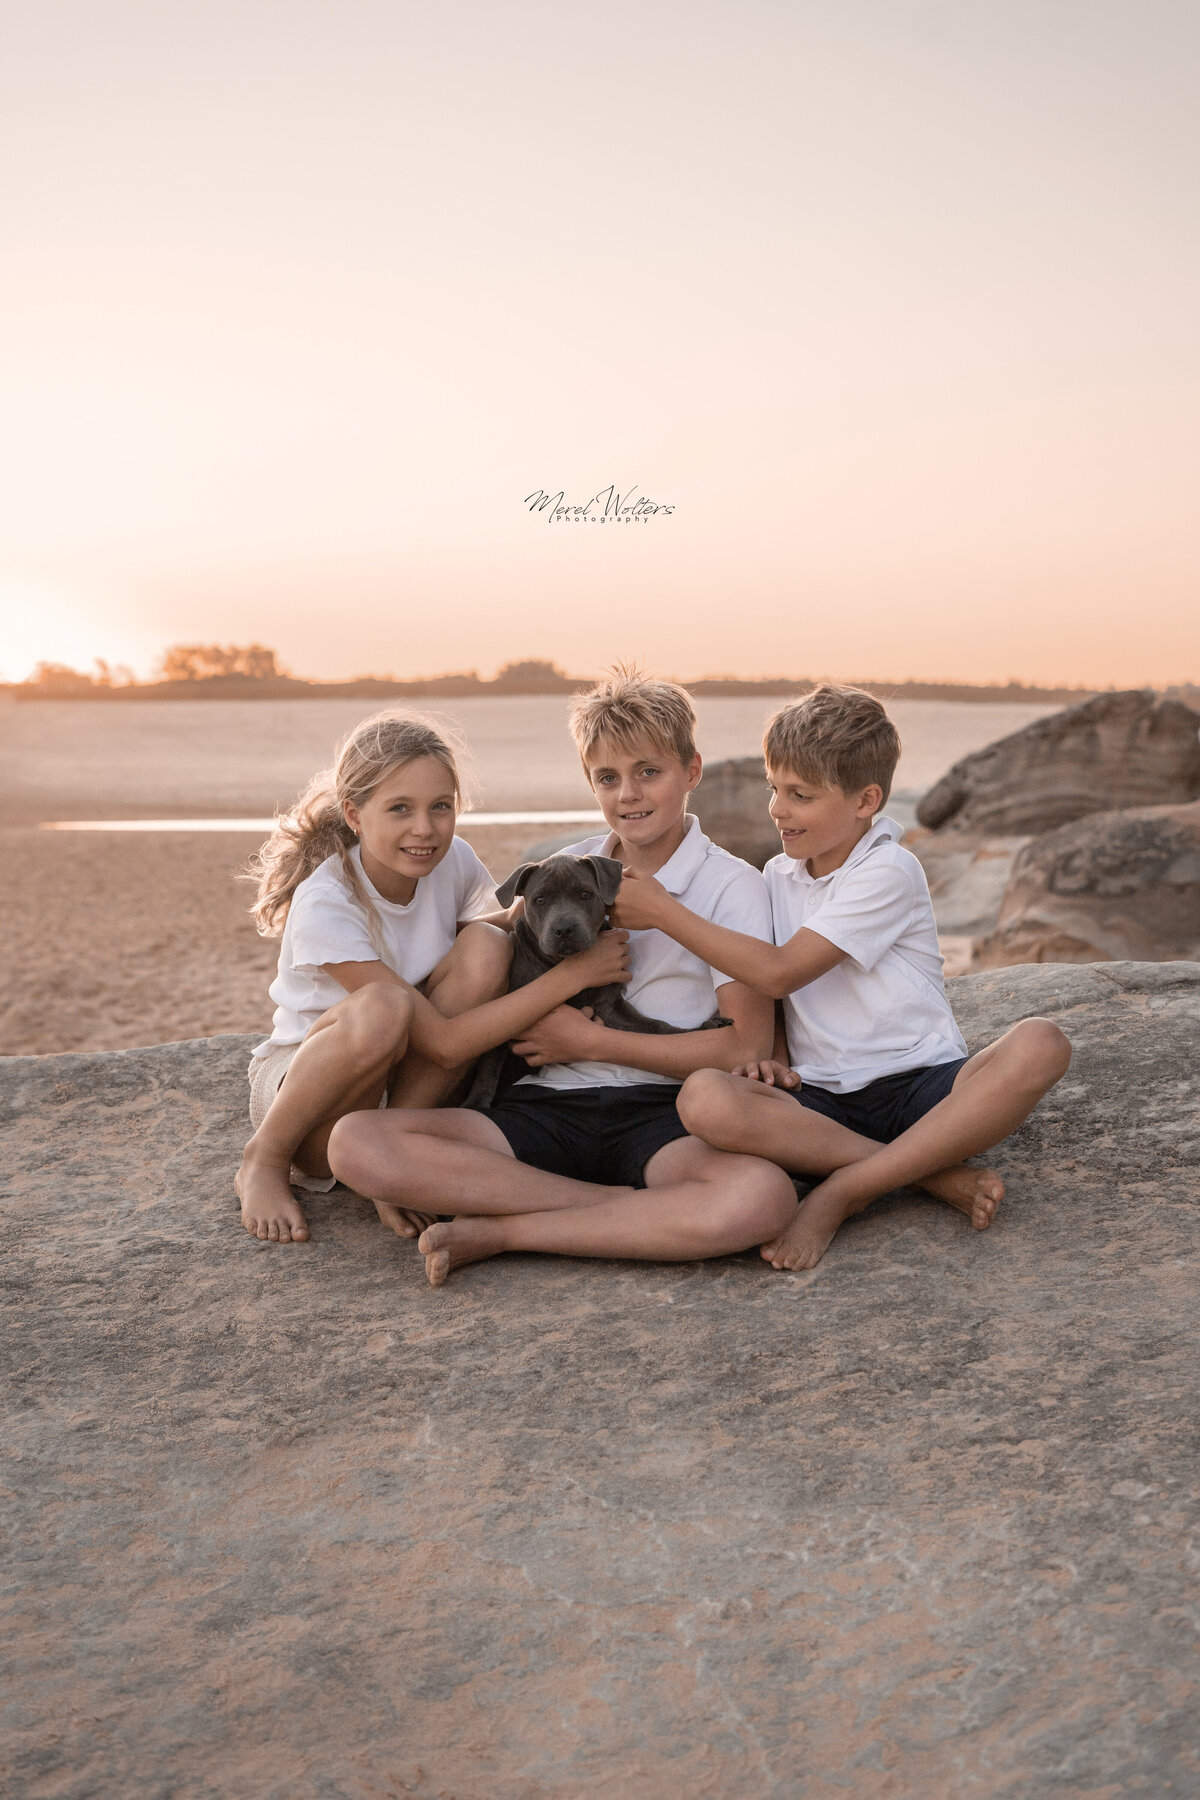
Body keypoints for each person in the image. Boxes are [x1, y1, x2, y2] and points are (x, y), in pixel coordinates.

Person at [327, 668, 797, 1284]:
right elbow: (490, 932)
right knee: (356, 1143)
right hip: (543, 1104)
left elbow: (742, 1047)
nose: (628, 794)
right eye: (608, 778)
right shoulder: (570, 869)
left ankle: (507, 1229)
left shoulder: (731, 886)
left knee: (761, 1197)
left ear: (692, 771)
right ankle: (618, 1210)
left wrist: (591, 1042)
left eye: (649, 772)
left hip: (663, 1112)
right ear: (590, 781)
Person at [613, 683, 1073, 1271]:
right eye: (774, 789)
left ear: (865, 800)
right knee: (705, 1097)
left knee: (1041, 1043)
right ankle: (928, 1174)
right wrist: (776, 1058)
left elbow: (780, 973)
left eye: (800, 795)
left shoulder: (887, 870)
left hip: (921, 1086)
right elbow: (776, 1001)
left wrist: (663, 912)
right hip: (821, 1101)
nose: (778, 809)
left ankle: (845, 1189)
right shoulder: (776, 876)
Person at [238, 708, 631, 1245]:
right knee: (385, 1006)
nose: (424, 829)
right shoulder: (326, 901)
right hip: (314, 1101)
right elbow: (444, 1046)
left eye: (440, 807)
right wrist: (573, 976)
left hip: (406, 1087)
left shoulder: (452, 860)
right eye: (400, 808)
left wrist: (582, 910)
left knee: (487, 945)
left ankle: (392, 1159)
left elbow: (493, 934)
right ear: (354, 814)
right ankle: (262, 1160)